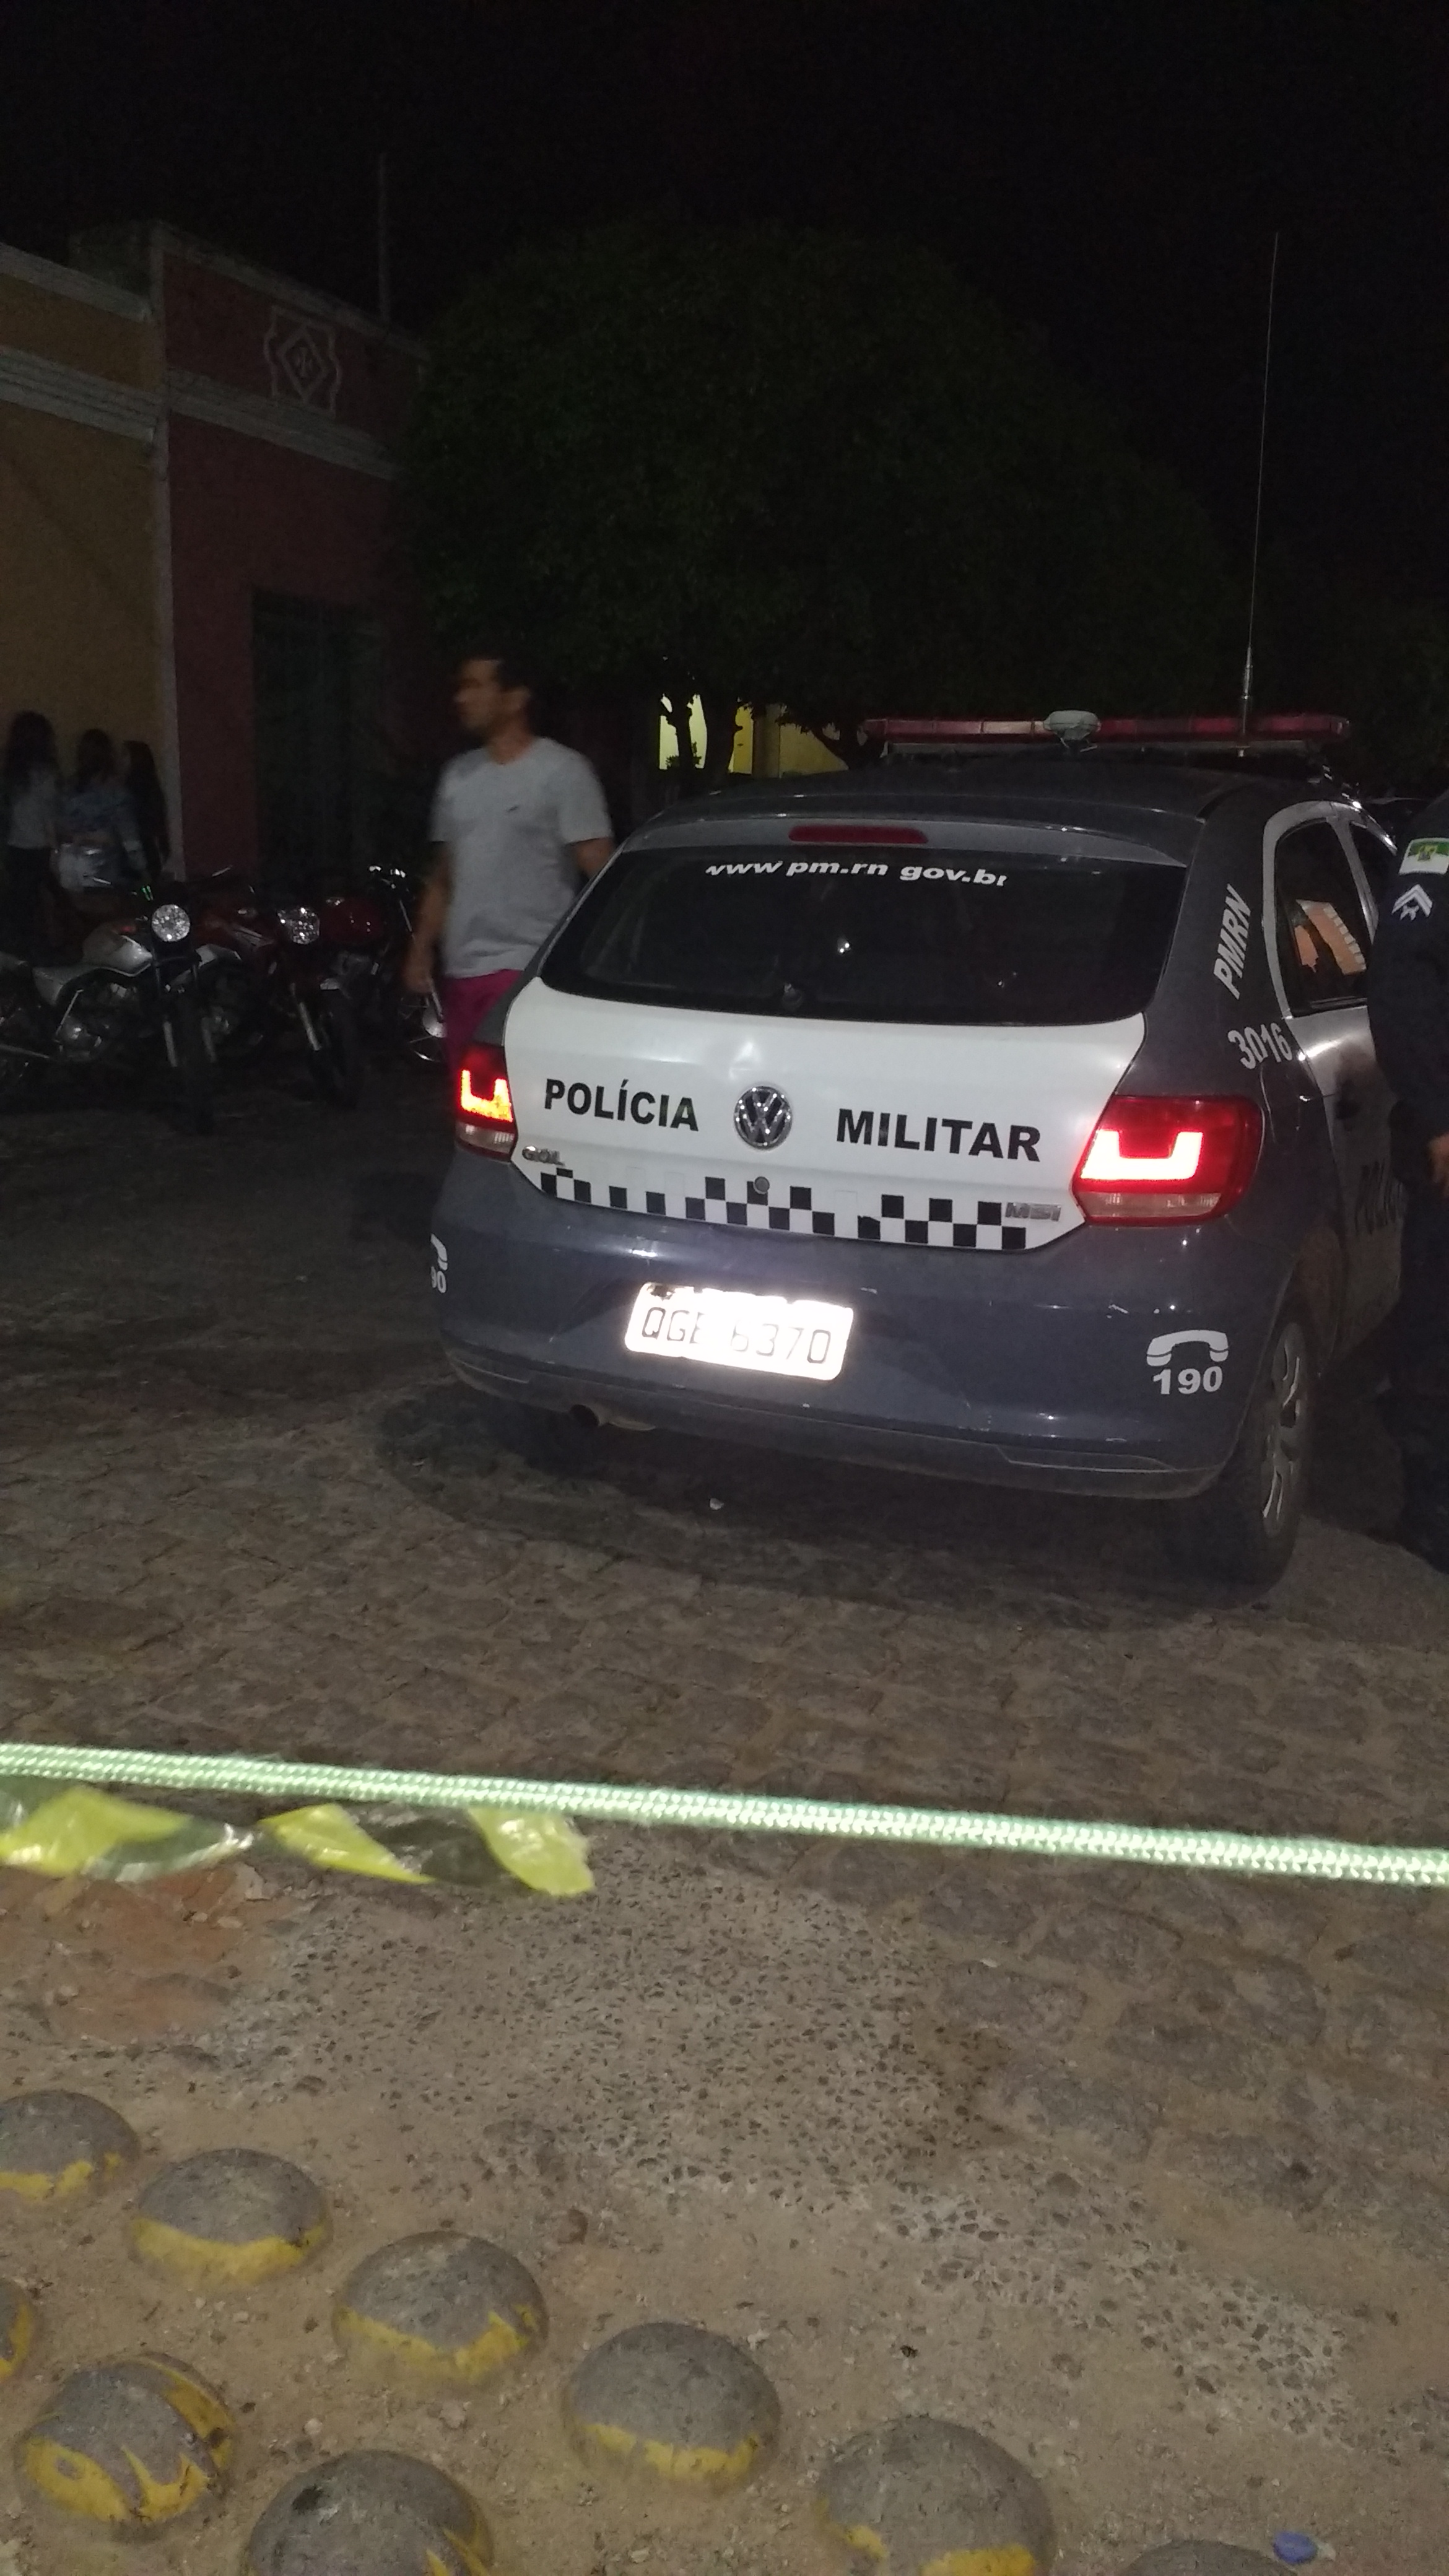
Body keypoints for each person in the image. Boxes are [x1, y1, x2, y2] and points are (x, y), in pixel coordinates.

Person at [404, 648, 612, 1072]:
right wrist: (421, 949)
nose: (462, 698)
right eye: (461, 687)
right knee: (469, 1096)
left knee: (515, 1092)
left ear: (515, 698)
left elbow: (600, 869)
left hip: (529, 968)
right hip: (463, 970)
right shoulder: (457, 776)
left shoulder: (562, 772)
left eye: (475, 686)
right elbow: (444, 875)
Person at [1367, 793, 1449, 1569]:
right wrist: (1437, 1114)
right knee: (1437, 1323)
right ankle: (1433, 1507)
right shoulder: (1443, 833)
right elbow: (1403, 981)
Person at [56, 730, 146, 908]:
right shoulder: (116, 792)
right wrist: (142, 869)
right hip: (101, 865)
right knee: (105, 917)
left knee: (75, 916)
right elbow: (130, 838)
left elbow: (60, 826)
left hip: (69, 861)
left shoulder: (69, 788)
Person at [1, 710, 61, 954]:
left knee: (18, 903)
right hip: (40, 847)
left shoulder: (10, 773)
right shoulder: (46, 774)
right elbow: (49, 817)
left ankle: (18, 951)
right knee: (43, 904)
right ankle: (40, 950)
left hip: (13, 847)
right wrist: (56, 851)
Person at [123, 739, 172, 879]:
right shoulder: (152, 786)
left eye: (125, 755)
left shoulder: (132, 789)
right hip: (148, 848)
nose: (121, 760)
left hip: (140, 848)